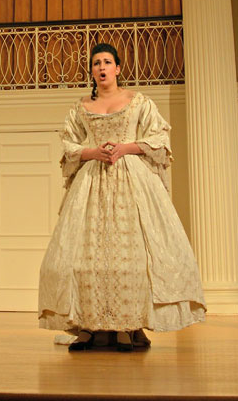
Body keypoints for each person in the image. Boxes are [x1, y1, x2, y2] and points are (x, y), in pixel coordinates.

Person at [38, 43, 206, 351]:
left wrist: (125, 147)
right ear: (92, 70)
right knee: (83, 256)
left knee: (134, 256)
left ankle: (129, 326)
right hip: (91, 181)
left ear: (117, 68)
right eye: (96, 63)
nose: (101, 67)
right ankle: (89, 326)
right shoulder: (80, 107)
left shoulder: (137, 101)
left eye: (107, 62)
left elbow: (158, 138)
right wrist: (92, 151)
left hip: (131, 180)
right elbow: (68, 145)